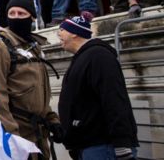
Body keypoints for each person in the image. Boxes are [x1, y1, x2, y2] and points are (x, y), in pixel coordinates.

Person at [0, 0, 61, 159]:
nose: (16, 17)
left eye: (21, 13)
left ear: (31, 17)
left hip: (39, 136)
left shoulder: (34, 48)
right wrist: (13, 136)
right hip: (19, 140)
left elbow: (39, 91)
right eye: (12, 13)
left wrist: (52, 120)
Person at [57, 16, 138, 159]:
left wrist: (121, 144)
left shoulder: (98, 56)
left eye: (62, 30)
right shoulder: (83, 57)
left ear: (74, 33)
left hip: (104, 146)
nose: (58, 34)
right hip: (89, 146)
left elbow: (113, 99)